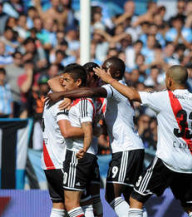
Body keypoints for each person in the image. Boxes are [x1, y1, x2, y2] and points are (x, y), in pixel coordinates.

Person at [94, 65, 192, 217]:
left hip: (166, 160)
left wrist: (110, 80)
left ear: (170, 81)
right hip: (188, 163)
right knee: (190, 206)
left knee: (135, 199)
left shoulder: (164, 97)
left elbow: (133, 95)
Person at [48, 57, 147, 217]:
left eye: (104, 69)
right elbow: (54, 80)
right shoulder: (114, 91)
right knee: (130, 198)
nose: (100, 73)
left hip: (124, 148)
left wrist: (64, 95)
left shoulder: (112, 88)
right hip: (129, 147)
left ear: (115, 73)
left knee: (110, 196)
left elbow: (90, 92)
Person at [59, 64, 96, 217]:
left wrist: (85, 149)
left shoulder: (83, 102)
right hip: (80, 154)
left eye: (67, 80)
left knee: (71, 203)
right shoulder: (75, 100)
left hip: (78, 154)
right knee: (85, 201)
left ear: (78, 82)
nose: (63, 83)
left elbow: (87, 128)